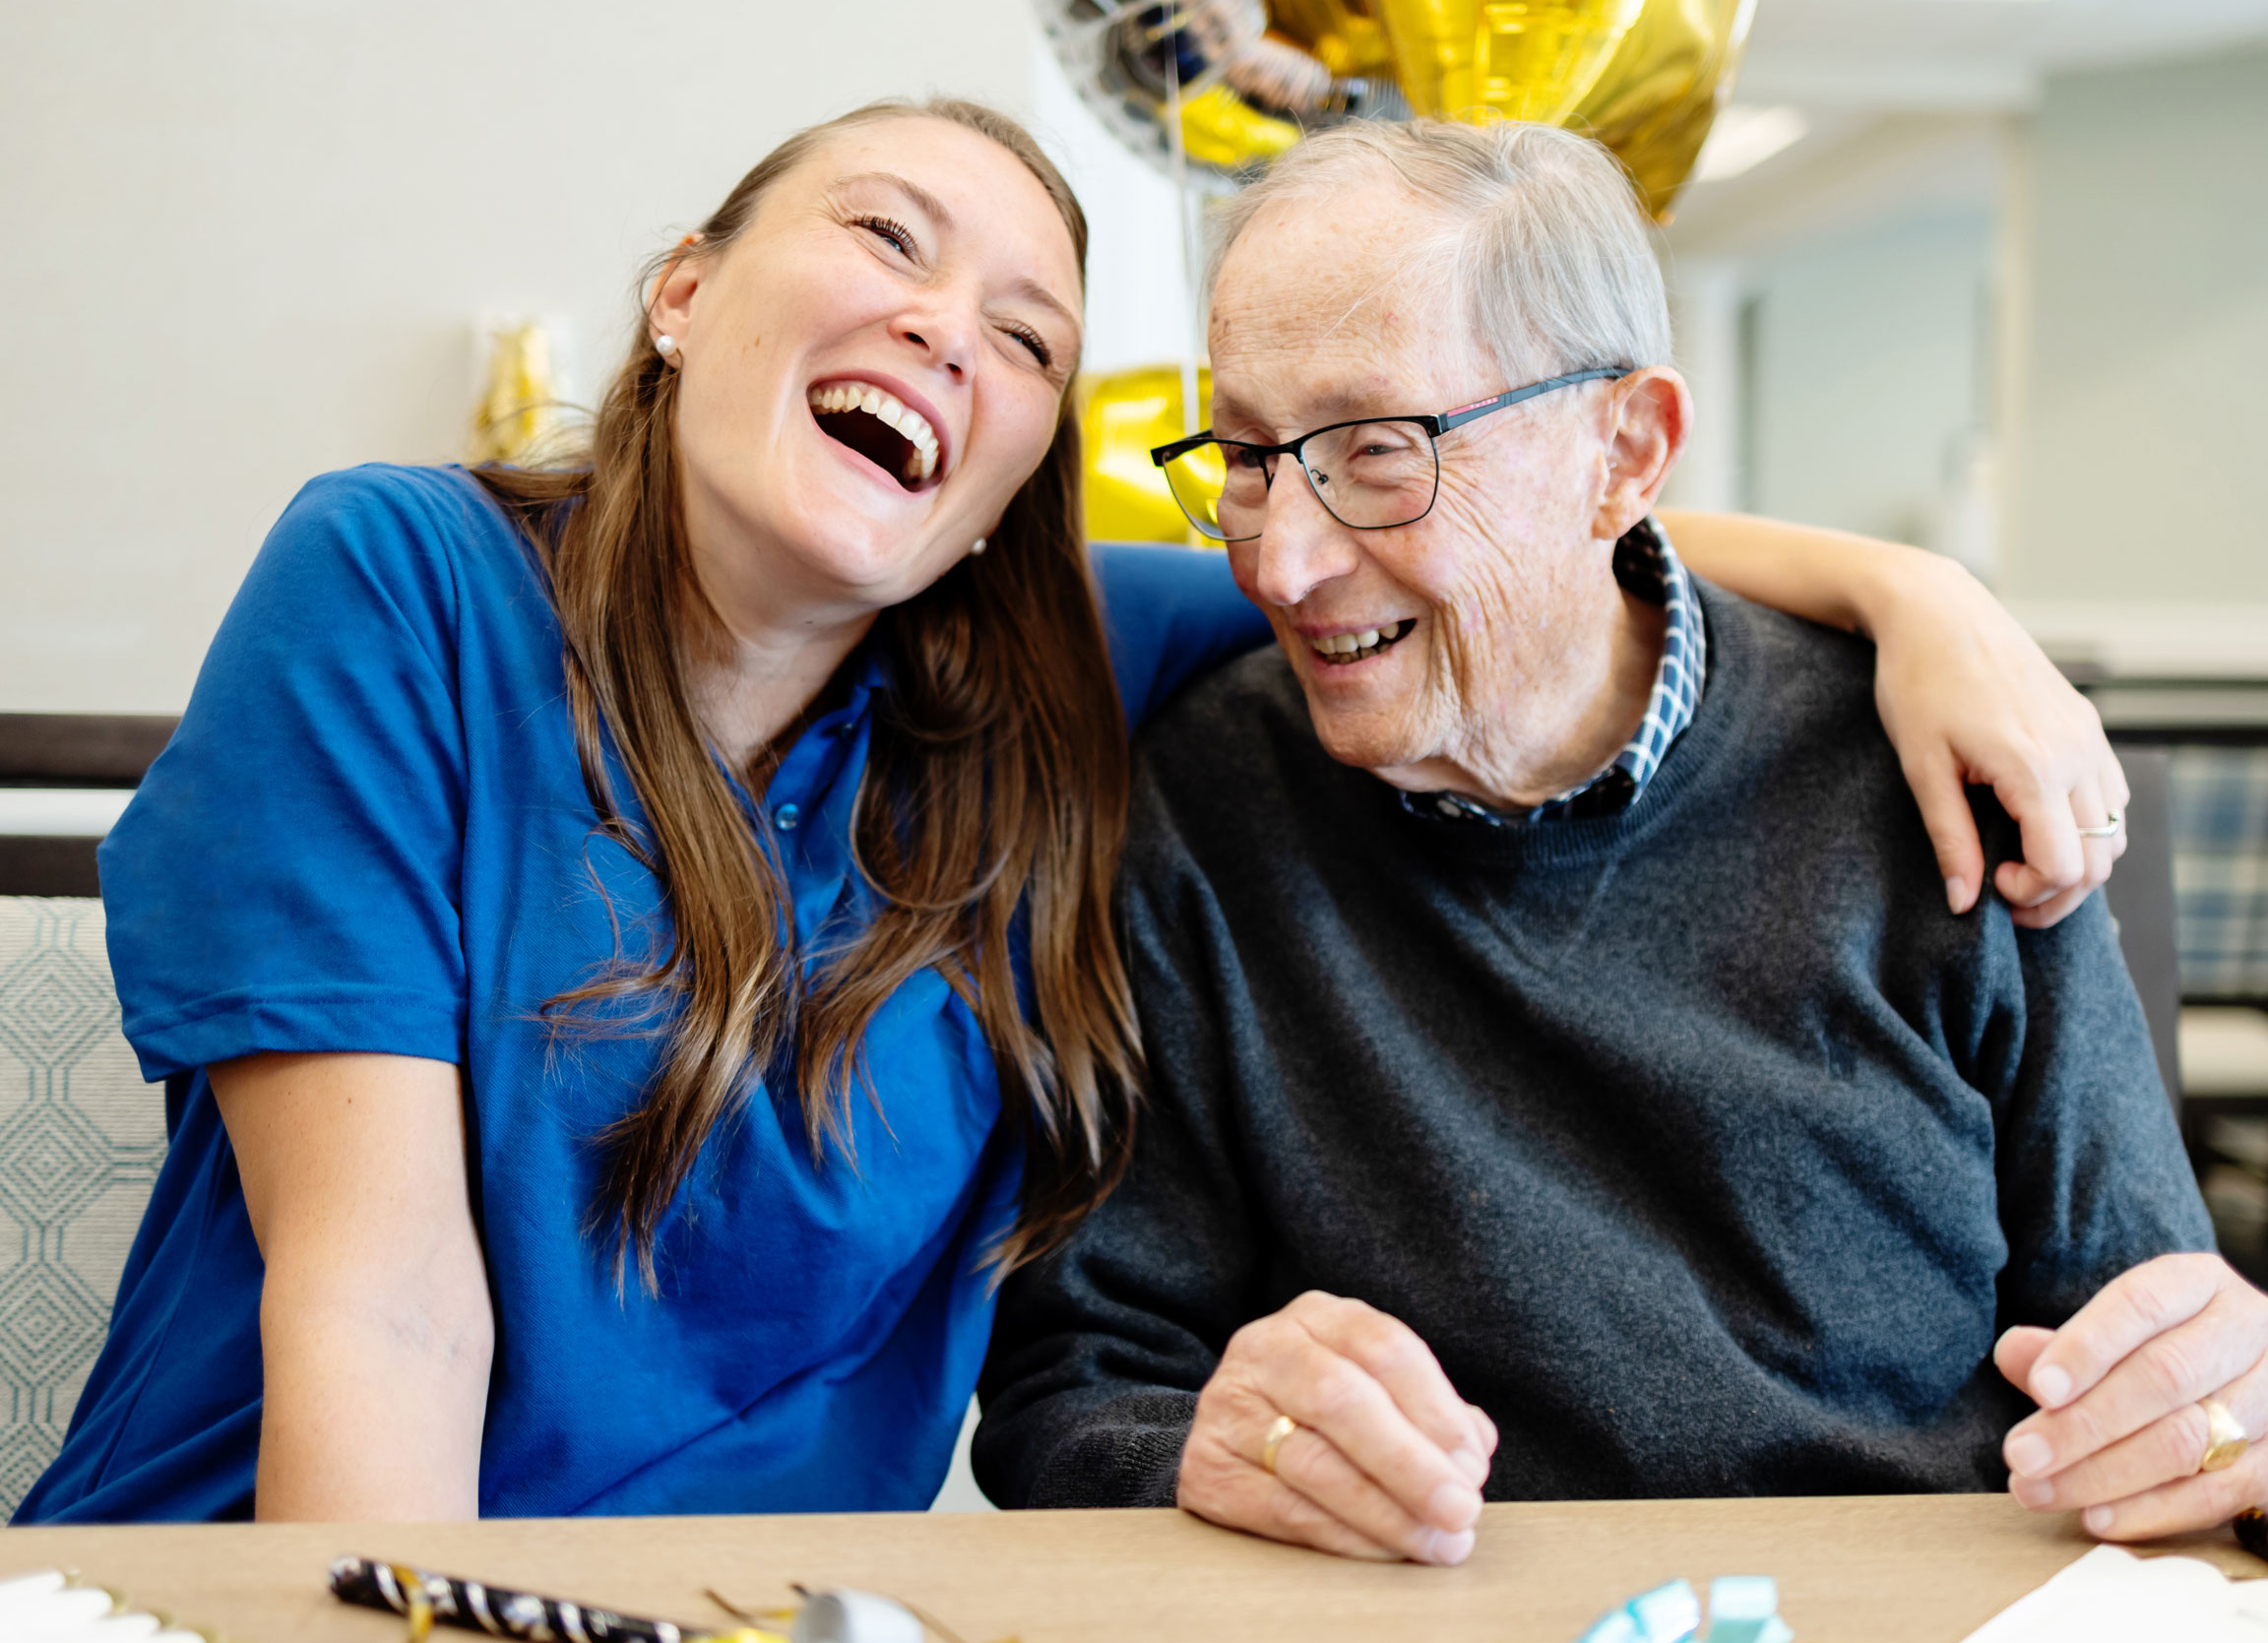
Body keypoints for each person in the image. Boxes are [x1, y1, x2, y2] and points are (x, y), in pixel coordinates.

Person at [22, 99, 2132, 1526]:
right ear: (682, 291)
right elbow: (385, 1303)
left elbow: (1501, 565)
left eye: (1027, 337)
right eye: (883, 235)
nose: (943, 330)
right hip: (293, 1580)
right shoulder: (398, 584)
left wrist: (1914, 598)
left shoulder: (1053, 682)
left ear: (1013, 480)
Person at [971, 117, 2268, 1562]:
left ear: (1624, 452)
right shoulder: (1195, 805)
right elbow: (1074, 1390)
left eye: (1378, 452)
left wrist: (2225, 1412)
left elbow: (2160, 1346)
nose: (1280, 563)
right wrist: (1202, 1452)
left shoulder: (1938, 773)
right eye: (1247, 457)